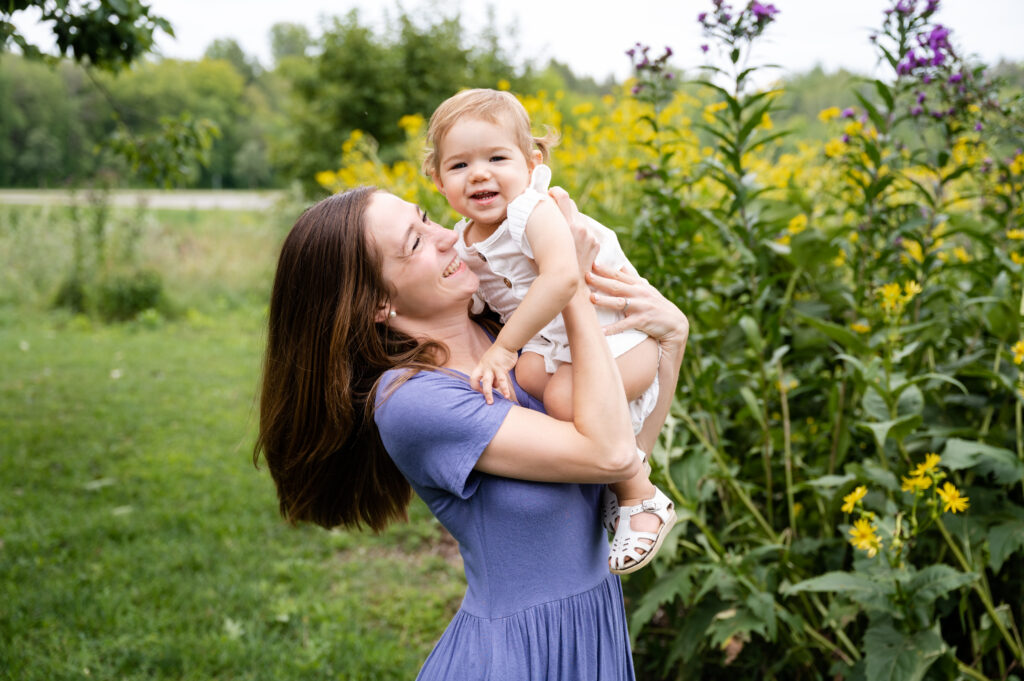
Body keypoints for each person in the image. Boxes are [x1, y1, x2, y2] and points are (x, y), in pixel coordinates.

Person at [254, 185, 689, 680]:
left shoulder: (511, 333)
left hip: (591, 635)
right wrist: (566, 283)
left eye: (426, 218)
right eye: (414, 243)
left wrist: (672, 341)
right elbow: (609, 455)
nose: (445, 236)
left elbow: (627, 461)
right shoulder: (414, 401)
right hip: (517, 656)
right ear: (376, 303)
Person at [423, 88, 671, 572]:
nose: (479, 173)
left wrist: (503, 348)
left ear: (532, 163)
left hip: (620, 335)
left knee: (559, 396)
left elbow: (562, 277)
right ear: (438, 180)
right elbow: (479, 293)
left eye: (497, 158)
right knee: (533, 377)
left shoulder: (532, 211)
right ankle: (614, 466)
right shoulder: (463, 239)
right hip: (562, 344)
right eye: (459, 165)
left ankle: (642, 496)